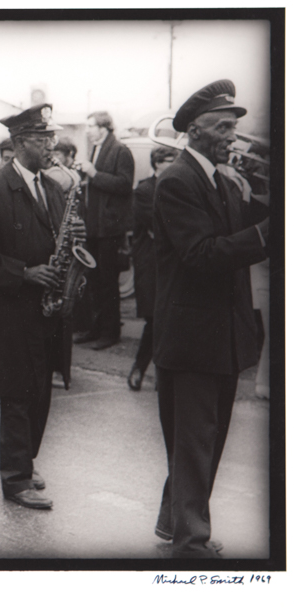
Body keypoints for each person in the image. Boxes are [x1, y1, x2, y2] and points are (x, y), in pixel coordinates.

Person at [151, 80, 269, 558]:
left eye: (234, 127)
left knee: (203, 439)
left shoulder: (219, 178)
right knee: (197, 442)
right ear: (195, 130)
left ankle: (171, 521)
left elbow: (238, 234)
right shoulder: (177, 181)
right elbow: (201, 254)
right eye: (223, 127)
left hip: (219, 332)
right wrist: (265, 230)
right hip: (194, 334)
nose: (232, 137)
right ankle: (191, 541)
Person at [0, 104, 84, 510]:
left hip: (43, 312)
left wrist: (72, 240)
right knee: (18, 396)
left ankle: (26, 463)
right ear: (18, 144)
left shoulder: (51, 186)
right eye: (42, 139)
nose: (52, 145)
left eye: (51, 138)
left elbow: (55, 239)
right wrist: (25, 273)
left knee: (41, 394)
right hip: (10, 315)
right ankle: (14, 480)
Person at [75, 111, 135, 350]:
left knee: (108, 282)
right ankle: (96, 328)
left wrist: (93, 174)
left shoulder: (120, 150)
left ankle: (110, 333)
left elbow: (123, 185)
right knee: (95, 281)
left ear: (104, 127)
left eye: (91, 125)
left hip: (109, 229)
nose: (87, 130)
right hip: (95, 227)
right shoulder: (97, 148)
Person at [127, 146, 176, 391]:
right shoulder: (145, 189)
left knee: (168, 319)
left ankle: (160, 373)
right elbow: (159, 226)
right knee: (154, 319)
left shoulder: (179, 187)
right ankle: (140, 367)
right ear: (157, 164)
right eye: (170, 160)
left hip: (172, 262)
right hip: (150, 262)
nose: (175, 165)